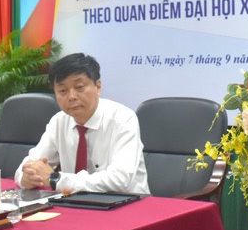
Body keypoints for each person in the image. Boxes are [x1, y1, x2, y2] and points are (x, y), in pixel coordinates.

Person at [15, 53, 150, 194]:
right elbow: (29, 165)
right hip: (74, 201)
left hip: (128, 202)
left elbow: (120, 180)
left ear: (98, 87)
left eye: (79, 87)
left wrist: (56, 179)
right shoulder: (59, 121)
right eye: (62, 91)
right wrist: (26, 178)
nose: (72, 97)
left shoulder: (123, 118)